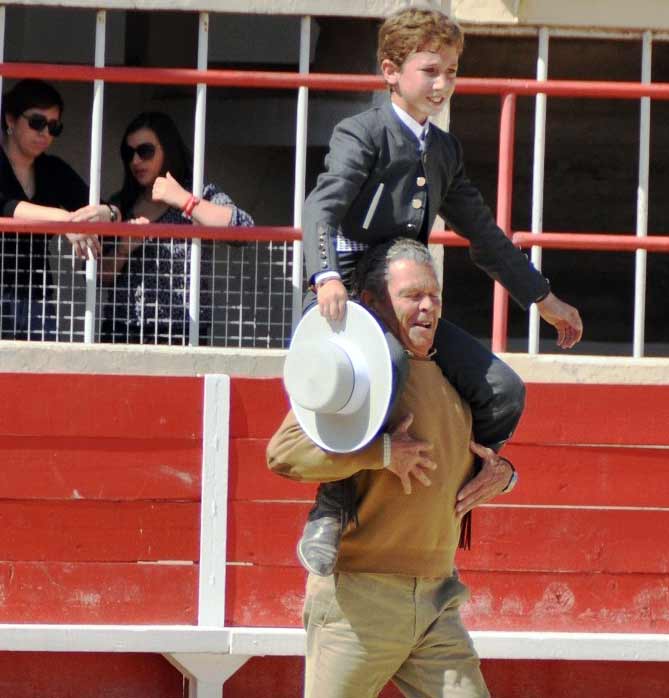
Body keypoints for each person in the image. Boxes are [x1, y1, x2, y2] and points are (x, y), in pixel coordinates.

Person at [297, 5, 582, 576]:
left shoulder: (443, 150)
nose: (442, 84)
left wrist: (541, 297)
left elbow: (481, 232)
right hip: (346, 301)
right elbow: (321, 207)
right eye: (430, 70)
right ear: (390, 71)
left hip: (407, 306)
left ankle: (466, 477)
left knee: (503, 391)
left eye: (451, 71)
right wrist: (325, 275)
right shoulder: (362, 132)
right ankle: (330, 508)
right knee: (390, 371)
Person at [268, 239, 514, 698]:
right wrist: (381, 453)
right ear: (374, 302)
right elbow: (283, 451)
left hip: (439, 598)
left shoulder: (456, 379)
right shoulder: (360, 374)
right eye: (411, 296)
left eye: (434, 297)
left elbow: (477, 458)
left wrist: (505, 475)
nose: (427, 308)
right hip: (359, 602)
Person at [99, 111, 254, 344]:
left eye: (145, 151)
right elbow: (97, 276)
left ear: (167, 149)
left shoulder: (198, 194)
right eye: (128, 153)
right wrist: (122, 250)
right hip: (124, 329)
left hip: (183, 330)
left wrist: (185, 201)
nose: (136, 161)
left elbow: (245, 230)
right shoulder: (120, 204)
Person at [0, 78, 107, 340]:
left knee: (35, 378)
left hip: (35, 296)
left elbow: (96, 204)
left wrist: (108, 213)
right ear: (11, 120)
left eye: (53, 127)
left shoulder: (52, 169)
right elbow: (7, 206)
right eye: (37, 122)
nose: (45, 133)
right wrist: (67, 222)